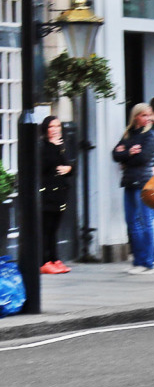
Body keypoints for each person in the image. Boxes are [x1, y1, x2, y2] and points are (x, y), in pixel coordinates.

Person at [112, 103, 154, 274]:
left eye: (149, 115)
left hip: (144, 183)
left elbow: (143, 158)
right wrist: (128, 153)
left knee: (145, 222)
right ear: (136, 117)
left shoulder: (151, 135)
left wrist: (126, 156)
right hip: (129, 182)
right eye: (144, 115)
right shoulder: (128, 134)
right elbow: (115, 154)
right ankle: (138, 261)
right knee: (132, 222)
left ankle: (148, 263)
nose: (147, 119)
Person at [39, 116, 74, 274]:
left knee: (54, 228)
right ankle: (44, 261)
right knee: (46, 228)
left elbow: (67, 164)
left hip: (59, 193)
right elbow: (44, 166)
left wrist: (69, 169)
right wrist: (54, 147)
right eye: (51, 126)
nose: (55, 129)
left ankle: (54, 258)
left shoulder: (61, 145)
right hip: (47, 193)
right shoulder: (43, 146)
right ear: (46, 129)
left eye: (57, 126)